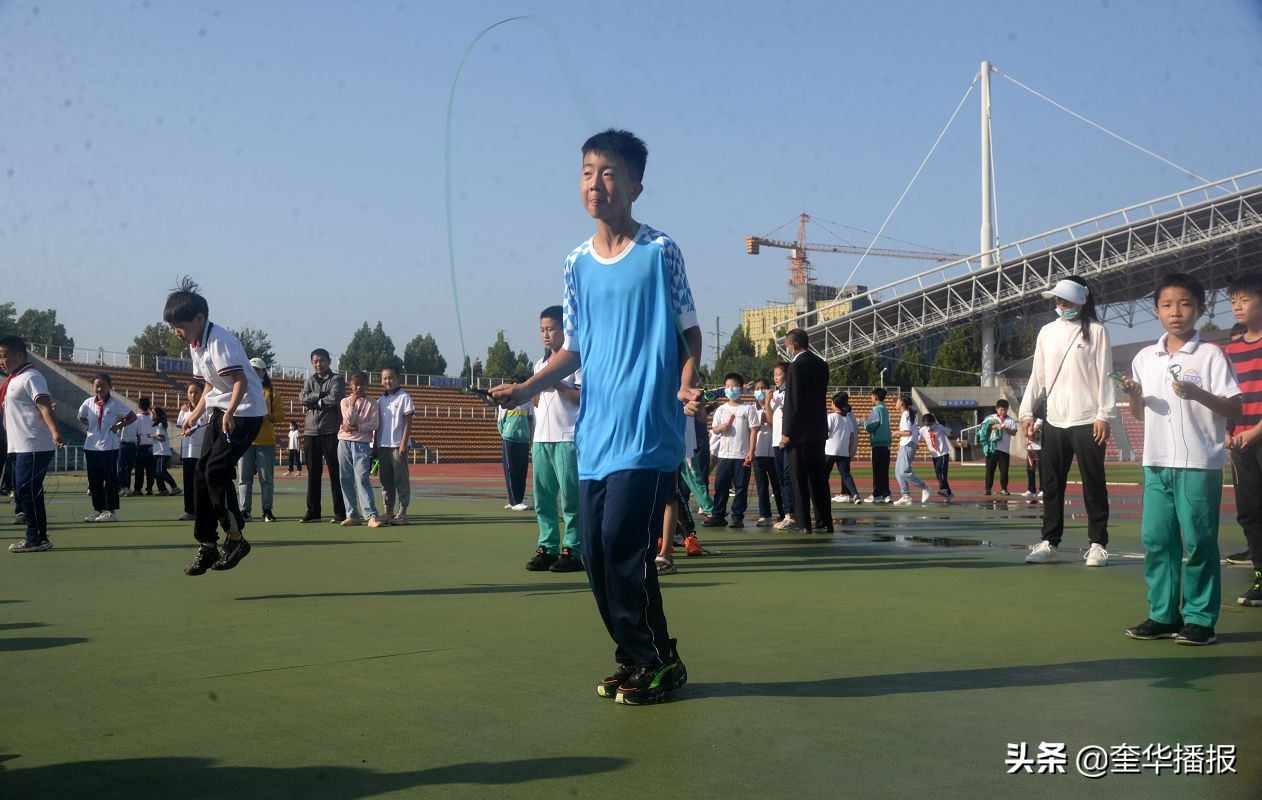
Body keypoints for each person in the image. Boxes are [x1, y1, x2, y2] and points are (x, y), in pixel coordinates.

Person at [490, 129, 695, 706]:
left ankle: (655, 659)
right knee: (597, 556)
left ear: (634, 184)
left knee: (623, 548)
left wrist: (686, 378)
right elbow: (574, 348)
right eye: (586, 172)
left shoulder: (660, 252)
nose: (594, 184)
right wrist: (527, 386)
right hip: (596, 433)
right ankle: (640, 657)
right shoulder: (576, 263)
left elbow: (690, 329)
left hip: (648, 430)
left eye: (607, 173)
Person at [1120, 272, 1240, 646]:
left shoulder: (1210, 355)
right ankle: (1163, 615)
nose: (1176, 312)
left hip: (1199, 465)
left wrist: (1197, 393)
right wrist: (1134, 394)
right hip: (1156, 462)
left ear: (1201, 310)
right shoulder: (1145, 357)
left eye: (1185, 304)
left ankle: (1200, 620)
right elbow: (1138, 415)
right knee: (1157, 540)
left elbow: (1234, 405)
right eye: (1167, 305)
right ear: (1156, 311)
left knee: (1200, 543)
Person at [166, 277, 265, 575]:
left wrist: (230, 412)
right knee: (200, 472)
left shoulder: (220, 340)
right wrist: (195, 414)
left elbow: (240, 381)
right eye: (173, 328)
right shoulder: (196, 344)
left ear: (199, 319)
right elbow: (210, 383)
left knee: (215, 471)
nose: (176, 333)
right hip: (222, 410)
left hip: (244, 413)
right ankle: (207, 543)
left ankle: (235, 538)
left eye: (179, 327)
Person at [1021, 276, 1116, 566]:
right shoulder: (1046, 332)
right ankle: (1049, 541)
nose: (1061, 304)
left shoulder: (1097, 332)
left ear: (1081, 300)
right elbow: (1038, 378)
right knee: (1051, 484)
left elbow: (1106, 375)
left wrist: (1105, 415)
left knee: (1093, 484)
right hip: (1055, 421)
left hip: (1088, 419)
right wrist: (1027, 414)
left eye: (1066, 299)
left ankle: (1098, 544)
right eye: (1058, 300)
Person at [525, 306, 583, 572]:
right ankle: (547, 548)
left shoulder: (576, 361)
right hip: (542, 439)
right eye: (542, 330)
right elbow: (536, 401)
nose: (546, 335)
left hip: (567, 437)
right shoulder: (540, 364)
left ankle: (574, 549)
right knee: (543, 498)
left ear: (564, 329)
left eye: (550, 329)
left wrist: (556, 382)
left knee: (571, 498)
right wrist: (535, 387)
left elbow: (581, 397)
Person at [1, 336, 64, 552]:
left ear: (19, 355)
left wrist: (55, 432)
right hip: (19, 446)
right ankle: (38, 537)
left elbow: (44, 405)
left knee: (26, 491)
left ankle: (36, 538)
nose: (1, 361)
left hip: (34, 445)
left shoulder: (31, 377)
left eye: (4, 356)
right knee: (25, 492)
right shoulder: (12, 380)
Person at [1223, 272, 1262, 606]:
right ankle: (1261, 576)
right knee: (1249, 510)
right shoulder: (1231, 349)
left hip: (1257, 435)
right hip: (1240, 443)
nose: (1237, 306)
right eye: (1233, 300)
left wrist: (1255, 432)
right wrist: (1227, 430)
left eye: (1245, 299)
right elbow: (1227, 396)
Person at [780, 329, 832, 533]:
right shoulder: (822, 365)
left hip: (799, 433)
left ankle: (803, 523)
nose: (787, 349)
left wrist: (787, 431)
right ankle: (824, 520)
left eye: (787, 346)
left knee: (799, 479)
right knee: (819, 479)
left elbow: (793, 402)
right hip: (818, 431)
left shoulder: (795, 367)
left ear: (793, 345)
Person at [703, 372, 760, 529]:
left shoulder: (748, 409)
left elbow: (754, 431)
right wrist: (722, 427)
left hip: (742, 455)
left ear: (741, 388)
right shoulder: (721, 409)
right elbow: (714, 429)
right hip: (724, 455)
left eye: (734, 386)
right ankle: (718, 516)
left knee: (741, 488)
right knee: (721, 486)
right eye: (727, 386)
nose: (730, 389)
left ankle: (737, 516)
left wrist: (751, 451)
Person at [76, 373, 136, 523]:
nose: (100, 389)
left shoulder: (115, 404)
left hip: (109, 447)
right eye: (97, 386)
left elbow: (132, 416)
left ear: (109, 386)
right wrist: (88, 424)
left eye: (103, 385)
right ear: (93, 387)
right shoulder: (88, 402)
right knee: (94, 481)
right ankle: (98, 509)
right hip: (91, 447)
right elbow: (79, 415)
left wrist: (118, 426)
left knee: (109, 480)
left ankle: (111, 511)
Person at [299, 348, 347, 523]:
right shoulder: (309, 380)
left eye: (322, 360)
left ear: (329, 361)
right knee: (313, 473)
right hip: (310, 432)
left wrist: (314, 402)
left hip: (331, 431)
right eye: (315, 361)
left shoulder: (337, 379)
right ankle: (313, 511)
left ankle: (340, 512)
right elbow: (302, 398)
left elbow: (334, 398)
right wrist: (320, 395)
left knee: (335, 472)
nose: (318, 364)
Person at [237, 357, 282, 522]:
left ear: (264, 372)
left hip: (265, 441)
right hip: (245, 441)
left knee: (266, 479)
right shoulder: (241, 389)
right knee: (244, 479)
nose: (255, 372)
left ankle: (267, 510)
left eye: (258, 370)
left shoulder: (272, 393)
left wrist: (270, 416)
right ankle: (244, 510)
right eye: (252, 369)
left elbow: (280, 415)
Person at [337, 372, 382, 527]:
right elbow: (347, 420)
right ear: (350, 385)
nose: (359, 387)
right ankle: (352, 515)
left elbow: (374, 424)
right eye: (356, 384)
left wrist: (357, 427)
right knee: (345, 479)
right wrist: (353, 402)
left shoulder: (373, 403)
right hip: (344, 442)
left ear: (367, 386)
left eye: (362, 384)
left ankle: (371, 515)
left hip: (362, 443)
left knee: (362, 478)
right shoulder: (345, 401)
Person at [375, 366, 415, 526]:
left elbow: (408, 422)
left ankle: (403, 512)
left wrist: (404, 443)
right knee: (385, 481)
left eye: (391, 377)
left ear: (398, 378)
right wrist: (375, 446)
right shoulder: (380, 400)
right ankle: (388, 512)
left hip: (398, 446)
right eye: (384, 378)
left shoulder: (404, 397)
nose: (388, 381)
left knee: (401, 480)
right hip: (382, 446)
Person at [751, 378, 785, 526]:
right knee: (761, 486)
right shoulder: (750, 408)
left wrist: (767, 408)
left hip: (773, 451)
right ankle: (765, 515)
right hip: (758, 451)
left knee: (778, 485)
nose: (760, 391)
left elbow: (774, 422)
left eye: (763, 388)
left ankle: (784, 513)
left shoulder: (775, 405)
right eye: (757, 389)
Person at [768, 362, 796, 529]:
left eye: (778, 374)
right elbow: (770, 419)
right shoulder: (776, 395)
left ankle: (791, 514)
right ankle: (786, 513)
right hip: (775, 441)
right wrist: (767, 401)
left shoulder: (791, 393)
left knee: (787, 478)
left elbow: (793, 415)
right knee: (780, 479)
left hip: (787, 441)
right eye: (774, 375)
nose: (775, 378)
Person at [497, 385, 533, 511]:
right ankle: (514, 501)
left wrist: (530, 438)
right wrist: (506, 434)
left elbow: (531, 420)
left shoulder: (528, 402)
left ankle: (518, 500)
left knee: (522, 471)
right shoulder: (506, 402)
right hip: (509, 440)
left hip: (524, 440)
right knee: (510, 471)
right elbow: (500, 421)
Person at [176, 382, 208, 521]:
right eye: (190, 392)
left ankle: (203, 510)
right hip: (188, 453)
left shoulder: (207, 410)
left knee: (202, 484)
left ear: (203, 393)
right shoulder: (184, 411)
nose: (193, 395)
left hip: (203, 453)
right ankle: (189, 510)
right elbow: (181, 427)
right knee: (188, 484)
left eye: (196, 392)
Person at [893, 394, 930, 506]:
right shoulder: (907, 414)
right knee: (898, 472)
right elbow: (910, 431)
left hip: (908, 445)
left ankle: (925, 487)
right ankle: (906, 495)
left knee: (903, 471)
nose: (896, 403)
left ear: (902, 403)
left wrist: (896, 433)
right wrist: (900, 443)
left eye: (897, 401)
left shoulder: (905, 414)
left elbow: (907, 432)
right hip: (906, 445)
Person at [978, 399, 1019, 495]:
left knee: (1004, 471)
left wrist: (1005, 428)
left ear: (1007, 409)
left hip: (1004, 450)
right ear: (996, 409)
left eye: (1005, 410)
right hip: (992, 448)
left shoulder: (1010, 420)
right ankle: (987, 489)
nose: (1003, 412)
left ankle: (1004, 489)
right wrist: (994, 426)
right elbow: (983, 429)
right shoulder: (990, 418)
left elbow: (1014, 433)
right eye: (1001, 410)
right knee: (989, 470)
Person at [825, 392, 859, 504]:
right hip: (843, 452)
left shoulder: (830, 417)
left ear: (835, 404)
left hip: (830, 450)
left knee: (824, 474)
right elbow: (851, 436)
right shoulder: (847, 419)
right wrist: (849, 451)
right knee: (846, 475)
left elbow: (826, 432)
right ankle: (855, 495)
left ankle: (822, 495)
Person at [864, 388, 892, 504]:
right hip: (886, 444)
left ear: (875, 396)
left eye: (871, 396)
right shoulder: (885, 409)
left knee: (877, 471)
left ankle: (877, 494)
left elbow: (870, 426)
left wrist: (864, 423)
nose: (871, 398)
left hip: (878, 444)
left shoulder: (876, 409)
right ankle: (886, 494)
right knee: (884, 471)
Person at [920, 413, 953, 502]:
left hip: (943, 453)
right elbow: (917, 438)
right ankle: (949, 493)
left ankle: (943, 488)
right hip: (934, 455)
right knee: (938, 474)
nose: (928, 427)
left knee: (941, 470)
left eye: (930, 424)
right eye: (926, 425)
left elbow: (950, 432)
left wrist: (956, 438)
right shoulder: (923, 430)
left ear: (933, 422)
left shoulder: (940, 427)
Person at [149, 407, 180, 495]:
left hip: (163, 453)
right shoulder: (156, 425)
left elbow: (161, 438)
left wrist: (152, 436)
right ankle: (163, 490)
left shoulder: (159, 425)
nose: (151, 415)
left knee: (160, 471)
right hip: (158, 452)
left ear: (156, 415)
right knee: (158, 472)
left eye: (152, 413)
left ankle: (174, 487)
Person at [132, 396, 155, 495]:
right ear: (149, 405)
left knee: (139, 470)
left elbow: (136, 433)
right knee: (150, 470)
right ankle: (149, 489)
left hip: (140, 446)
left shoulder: (136, 417)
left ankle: (138, 489)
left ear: (139, 406)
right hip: (152, 446)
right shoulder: (153, 417)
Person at [1022, 418, 1044, 499]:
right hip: (1031, 449)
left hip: (1039, 449)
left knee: (1041, 470)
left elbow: (1036, 430)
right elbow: (1025, 430)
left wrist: (1032, 434)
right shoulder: (1028, 419)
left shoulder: (1039, 419)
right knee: (1030, 469)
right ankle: (1031, 490)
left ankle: (1043, 489)